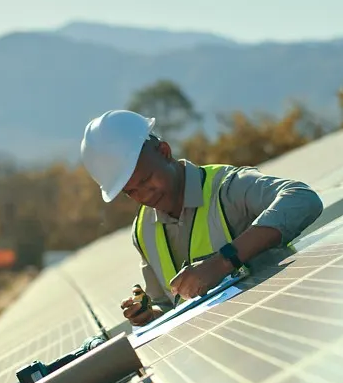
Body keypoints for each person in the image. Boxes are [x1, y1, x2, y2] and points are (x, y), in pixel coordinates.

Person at [79, 109, 324, 327]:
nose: (145, 194)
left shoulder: (227, 188)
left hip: (286, 324)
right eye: (131, 191)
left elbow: (302, 199)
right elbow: (167, 306)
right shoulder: (143, 231)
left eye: (145, 179)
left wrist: (222, 262)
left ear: (164, 152)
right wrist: (149, 316)